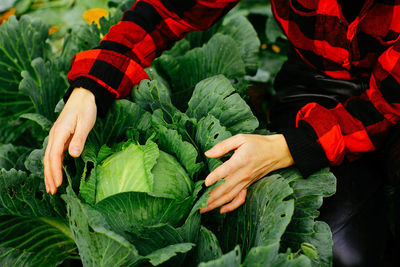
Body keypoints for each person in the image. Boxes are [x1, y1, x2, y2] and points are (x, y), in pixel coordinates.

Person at [44, 0, 400, 266]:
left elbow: (386, 107)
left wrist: (289, 148)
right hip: (321, 80)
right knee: (344, 254)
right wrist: (92, 87)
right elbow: (165, 10)